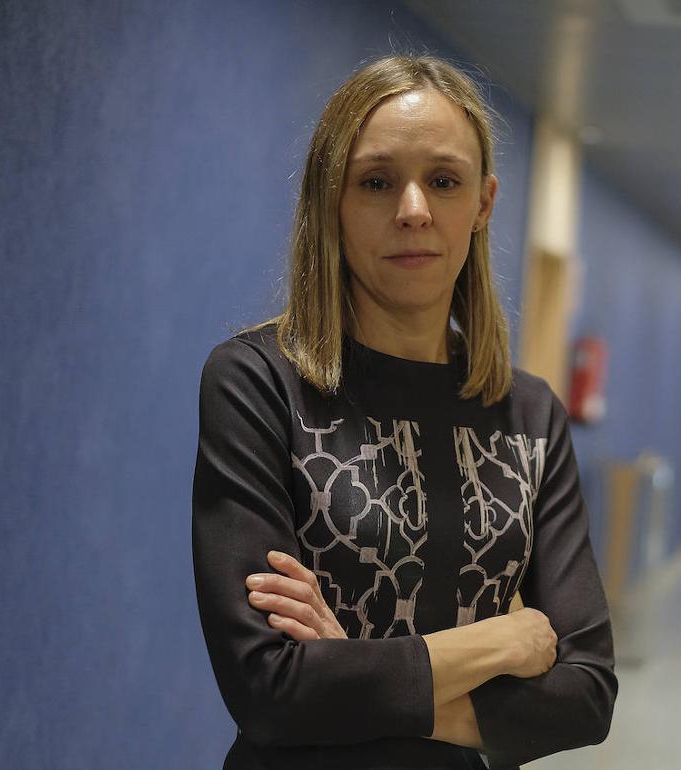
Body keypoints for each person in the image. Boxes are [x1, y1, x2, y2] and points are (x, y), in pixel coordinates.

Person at [191, 54, 616, 770]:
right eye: (377, 182)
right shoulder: (258, 384)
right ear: (332, 200)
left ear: (483, 203)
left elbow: (588, 696)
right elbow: (269, 688)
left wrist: (349, 671)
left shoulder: (530, 416)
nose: (413, 210)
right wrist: (496, 642)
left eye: (444, 181)